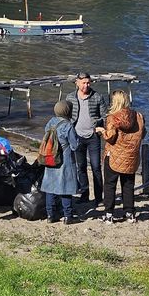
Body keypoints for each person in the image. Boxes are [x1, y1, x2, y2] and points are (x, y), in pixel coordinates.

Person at [100, 90, 146, 224]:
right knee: (128, 185)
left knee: (109, 185)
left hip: (114, 156)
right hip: (131, 157)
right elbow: (143, 134)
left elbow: (110, 137)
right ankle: (130, 213)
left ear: (115, 102)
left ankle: (109, 214)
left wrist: (102, 131)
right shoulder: (139, 116)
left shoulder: (112, 117)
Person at [65, 72, 108, 205]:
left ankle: (98, 197)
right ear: (77, 82)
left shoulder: (97, 97)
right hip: (77, 136)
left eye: (88, 82)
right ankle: (84, 195)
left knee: (96, 167)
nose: (86, 85)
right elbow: (66, 116)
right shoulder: (70, 97)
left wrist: (99, 127)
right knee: (81, 167)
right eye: (83, 83)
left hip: (93, 137)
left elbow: (105, 116)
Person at [40, 101, 80, 224]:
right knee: (65, 188)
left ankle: (50, 215)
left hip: (50, 158)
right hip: (65, 160)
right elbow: (74, 145)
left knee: (50, 188)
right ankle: (68, 216)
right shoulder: (68, 126)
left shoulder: (50, 123)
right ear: (67, 111)